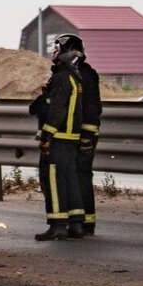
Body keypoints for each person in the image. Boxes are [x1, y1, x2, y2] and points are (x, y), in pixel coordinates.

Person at [28, 35, 87, 241]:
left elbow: (57, 109)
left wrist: (46, 136)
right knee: (70, 180)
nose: (54, 51)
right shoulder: (74, 77)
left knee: (52, 181)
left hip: (58, 140)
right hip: (70, 140)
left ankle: (57, 226)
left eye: (57, 48)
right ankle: (76, 224)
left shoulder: (62, 77)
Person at [61, 35, 103, 235]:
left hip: (83, 135)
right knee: (75, 177)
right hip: (73, 135)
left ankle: (86, 223)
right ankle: (80, 221)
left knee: (81, 177)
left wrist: (86, 137)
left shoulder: (85, 75)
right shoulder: (74, 74)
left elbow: (92, 108)